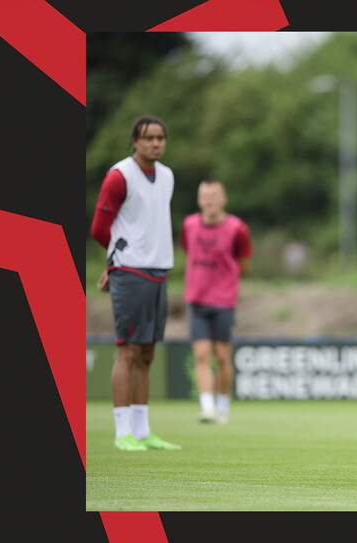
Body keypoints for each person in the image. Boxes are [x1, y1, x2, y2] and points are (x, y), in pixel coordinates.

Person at [91, 114, 181, 451]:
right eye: (148, 138)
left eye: (160, 137)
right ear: (135, 141)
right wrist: (115, 264)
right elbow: (100, 228)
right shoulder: (119, 176)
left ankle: (143, 431)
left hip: (159, 270)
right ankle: (122, 433)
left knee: (146, 352)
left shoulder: (168, 176)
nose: (156, 143)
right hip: (130, 272)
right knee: (127, 350)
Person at [180, 180, 253, 424]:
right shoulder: (189, 225)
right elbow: (186, 251)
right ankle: (207, 406)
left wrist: (227, 284)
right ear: (199, 201)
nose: (210, 202)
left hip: (223, 300)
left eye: (214, 197)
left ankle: (223, 406)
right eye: (205, 197)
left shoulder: (237, 228)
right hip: (196, 299)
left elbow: (243, 263)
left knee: (222, 355)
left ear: (223, 200)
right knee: (202, 354)